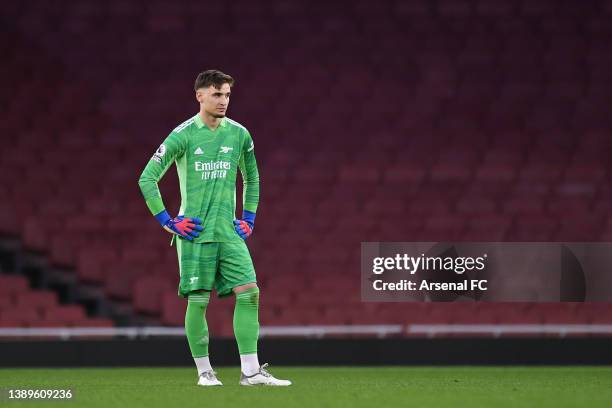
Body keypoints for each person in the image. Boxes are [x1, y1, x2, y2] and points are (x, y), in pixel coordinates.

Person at [138, 69, 291, 387]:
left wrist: (249, 218)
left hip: (229, 232)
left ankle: (250, 372)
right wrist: (168, 222)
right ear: (200, 96)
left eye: (227, 94)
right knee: (199, 301)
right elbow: (147, 178)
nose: (224, 101)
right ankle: (205, 372)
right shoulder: (182, 135)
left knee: (250, 294)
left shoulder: (239, 134)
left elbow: (252, 177)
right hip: (194, 233)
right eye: (217, 94)